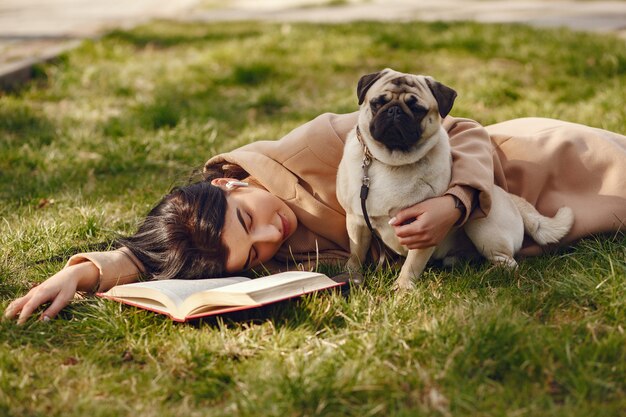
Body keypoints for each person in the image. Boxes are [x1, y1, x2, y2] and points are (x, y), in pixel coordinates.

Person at [4, 112, 626, 324]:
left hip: (527, 169)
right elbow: (160, 254)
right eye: (252, 256)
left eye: (249, 222)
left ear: (225, 183)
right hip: (512, 233)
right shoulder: (260, 248)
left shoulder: (308, 149)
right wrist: (86, 272)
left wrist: (454, 203)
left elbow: (461, 129)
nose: (270, 238)